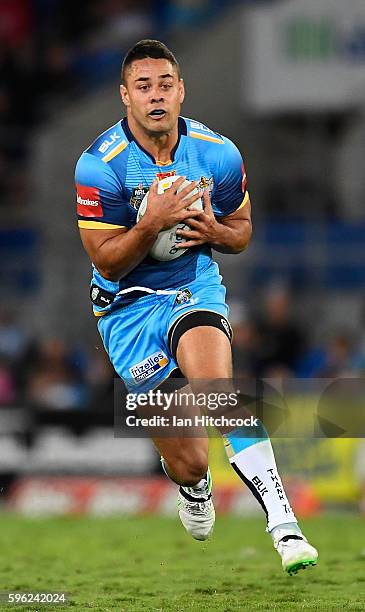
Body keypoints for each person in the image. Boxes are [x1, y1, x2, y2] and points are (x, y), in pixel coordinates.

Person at [75, 39, 318, 575]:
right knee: (188, 460)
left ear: (181, 90)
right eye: (143, 87)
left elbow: (242, 232)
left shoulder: (219, 153)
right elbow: (108, 262)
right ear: (125, 97)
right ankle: (194, 486)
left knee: (218, 392)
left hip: (193, 287)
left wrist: (215, 232)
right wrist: (151, 222)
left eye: (165, 84)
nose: (156, 96)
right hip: (125, 308)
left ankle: (285, 527)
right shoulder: (98, 166)